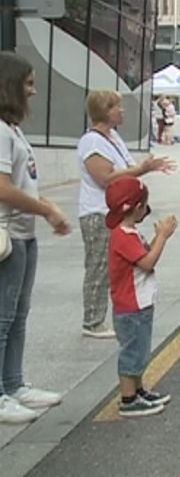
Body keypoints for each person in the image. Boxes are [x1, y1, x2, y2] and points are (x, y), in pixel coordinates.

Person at [0, 52, 72, 424]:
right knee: (3, 316)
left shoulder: (13, 130)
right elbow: (2, 188)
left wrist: (47, 207)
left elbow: (23, 183)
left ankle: (13, 383)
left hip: (23, 235)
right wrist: (44, 209)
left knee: (17, 315)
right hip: (8, 236)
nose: (33, 91)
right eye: (28, 83)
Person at [77, 90, 174, 339]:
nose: (122, 111)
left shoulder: (113, 138)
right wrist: (141, 169)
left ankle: (112, 313)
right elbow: (105, 178)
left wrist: (144, 170)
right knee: (98, 265)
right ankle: (93, 319)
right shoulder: (92, 141)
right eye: (116, 107)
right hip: (99, 210)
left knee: (117, 265)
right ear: (104, 110)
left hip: (120, 210)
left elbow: (127, 170)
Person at [105, 176, 176, 417]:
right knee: (132, 351)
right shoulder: (123, 236)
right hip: (131, 306)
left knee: (140, 350)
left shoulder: (129, 233)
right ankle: (128, 398)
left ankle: (138, 389)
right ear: (137, 208)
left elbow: (143, 254)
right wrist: (163, 238)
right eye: (145, 205)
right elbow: (147, 262)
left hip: (139, 304)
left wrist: (156, 238)